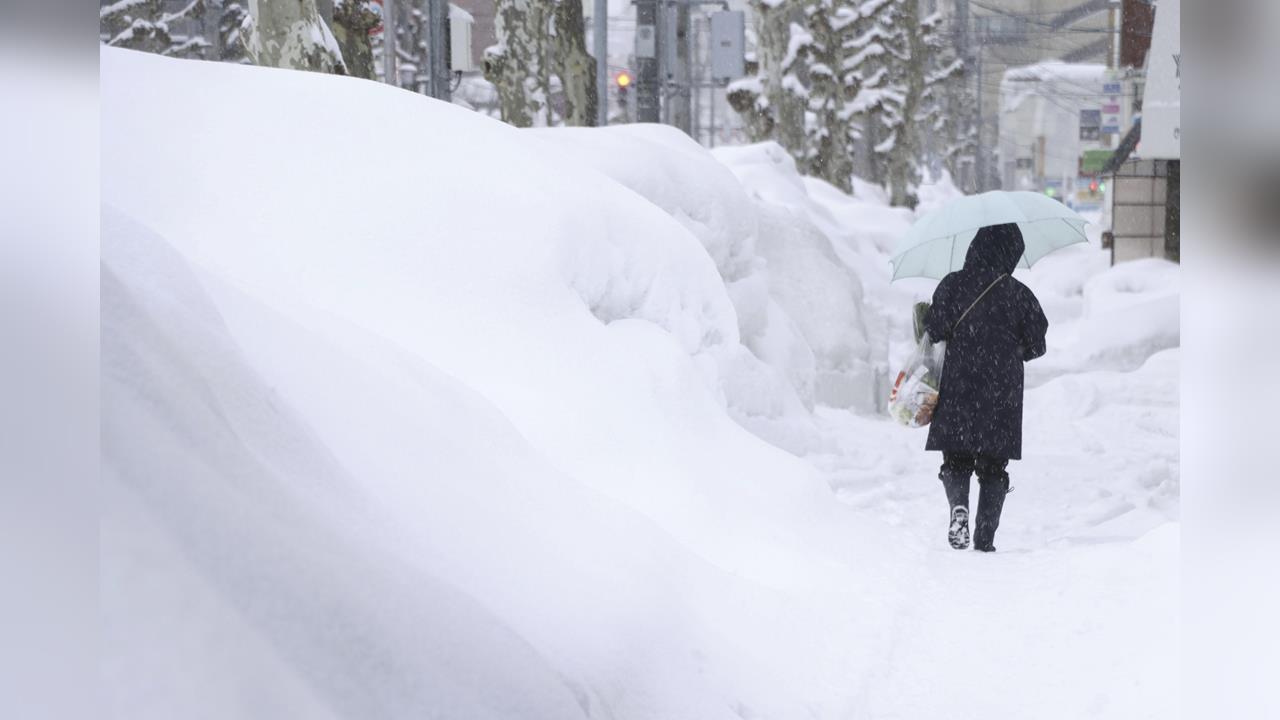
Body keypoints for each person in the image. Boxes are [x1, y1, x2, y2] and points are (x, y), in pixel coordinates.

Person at [923, 223, 1048, 552]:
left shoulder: (952, 284)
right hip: (1001, 389)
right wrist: (1010, 347)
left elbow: (934, 330)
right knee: (994, 465)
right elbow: (1037, 345)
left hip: (958, 382)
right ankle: (985, 539)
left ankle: (958, 509)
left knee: (957, 457)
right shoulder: (1019, 294)